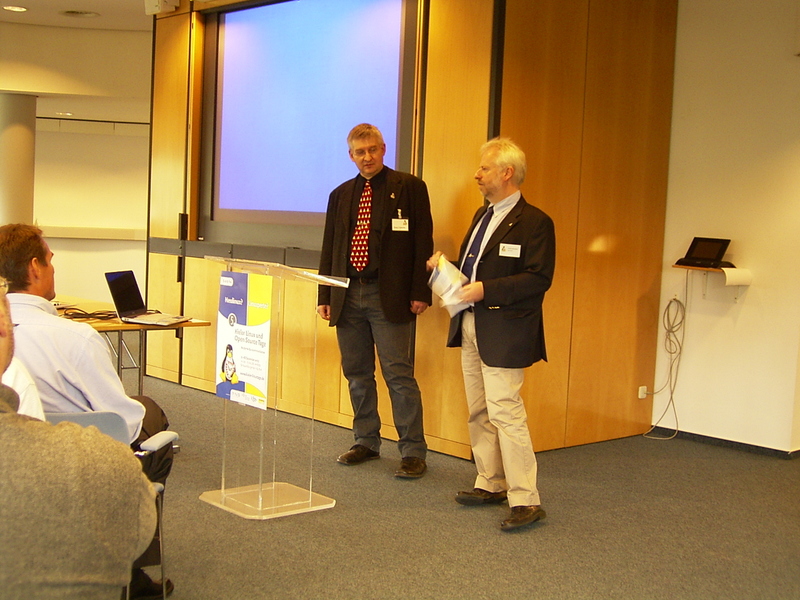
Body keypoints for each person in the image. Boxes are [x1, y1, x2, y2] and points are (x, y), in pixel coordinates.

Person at [0, 223, 174, 596]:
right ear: (34, 268)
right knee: (150, 418)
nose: (53, 269)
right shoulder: (77, 338)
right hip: (84, 465)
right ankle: (132, 571)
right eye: (50, 261)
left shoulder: (13, 338)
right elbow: (123, 425)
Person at [428, 137, 555, 531]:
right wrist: (445, 268)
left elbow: (538, 278)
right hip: (470, 323)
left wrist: (487, 290)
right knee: (479, 409)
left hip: (506, 330)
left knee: (505, 412)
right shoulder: (482, 215)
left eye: (484, 168)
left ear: (507, 173)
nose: (477, 174)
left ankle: (526, 498)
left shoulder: (535, 222)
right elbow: (477, 270)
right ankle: (490, 481)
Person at [317, 123, 433, 478]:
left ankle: (412, 451)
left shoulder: (410, 187)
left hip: (390, 295)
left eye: (372, 150)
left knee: (398, 374)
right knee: (357, 373)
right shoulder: (340, 194)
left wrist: (421, 291)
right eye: (360, 152)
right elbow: (330, 246)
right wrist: (325, 293)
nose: (367, 157)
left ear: (383, 149)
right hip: (347, 294)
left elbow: (422, 242)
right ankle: (366, 441)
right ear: (351, 155)